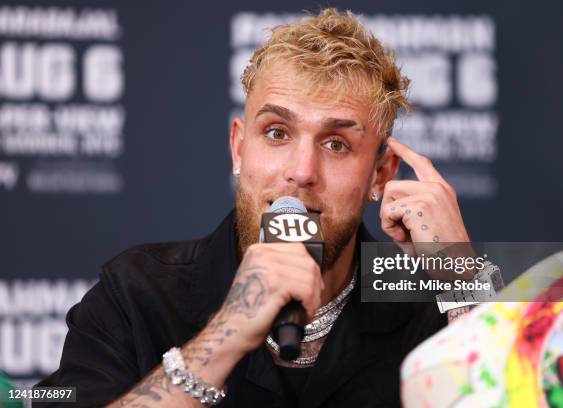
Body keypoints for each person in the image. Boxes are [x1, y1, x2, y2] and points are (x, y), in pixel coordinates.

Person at [36, 8, 472, 407]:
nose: (302, 172)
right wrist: (228, 331)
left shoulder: (436, 312)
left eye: (337, 144)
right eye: (278, 133)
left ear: (380, 175)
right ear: (239, 148)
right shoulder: (135, 294)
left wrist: (466, 281)